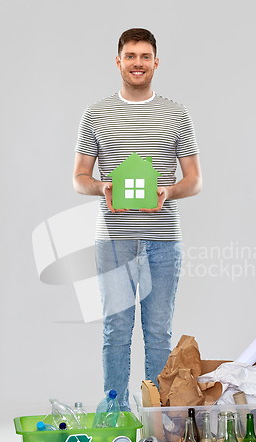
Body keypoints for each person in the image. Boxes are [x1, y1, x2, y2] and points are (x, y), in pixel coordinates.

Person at [73, 28, 201, 410]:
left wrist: (168, 192)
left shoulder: (176, 114)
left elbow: (194, 180)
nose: (138, 63)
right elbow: (79, 178)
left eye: (145, 57)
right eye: (130, 56)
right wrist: (102, 188)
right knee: (116, 331)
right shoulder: (96, 114)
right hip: (114, 240)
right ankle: (115, 413)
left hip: (164, 239)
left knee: (158, 333)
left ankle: (157, 417)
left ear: (155, 62)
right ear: (118, 61)